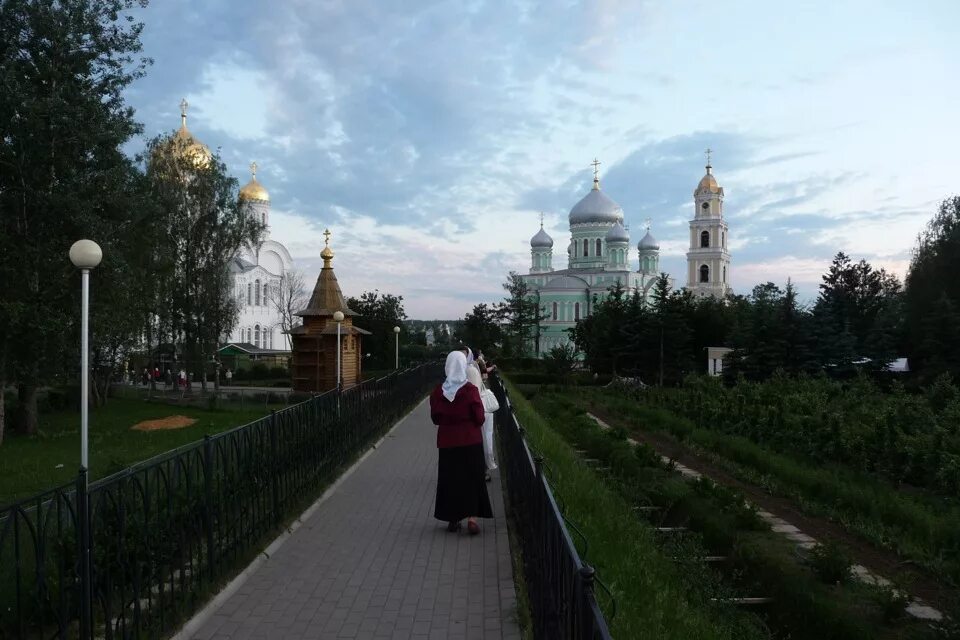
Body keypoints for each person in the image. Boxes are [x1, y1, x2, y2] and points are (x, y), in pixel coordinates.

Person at [430, 350, 492, 534]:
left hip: (448, 442)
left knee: (450, 480)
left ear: (447, 366)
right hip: (471, 440)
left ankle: (453, 517)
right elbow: (480, 418)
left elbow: (435, 418)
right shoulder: (471, 391)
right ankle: (472, 518)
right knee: (472, 479)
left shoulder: (438, 392)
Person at [466, 363, 498, 480]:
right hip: (482, 412)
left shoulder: (468, 369)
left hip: (476, 417)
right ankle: (483, 469)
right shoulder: (474, 367)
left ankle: (480, 469)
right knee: (484, 441)